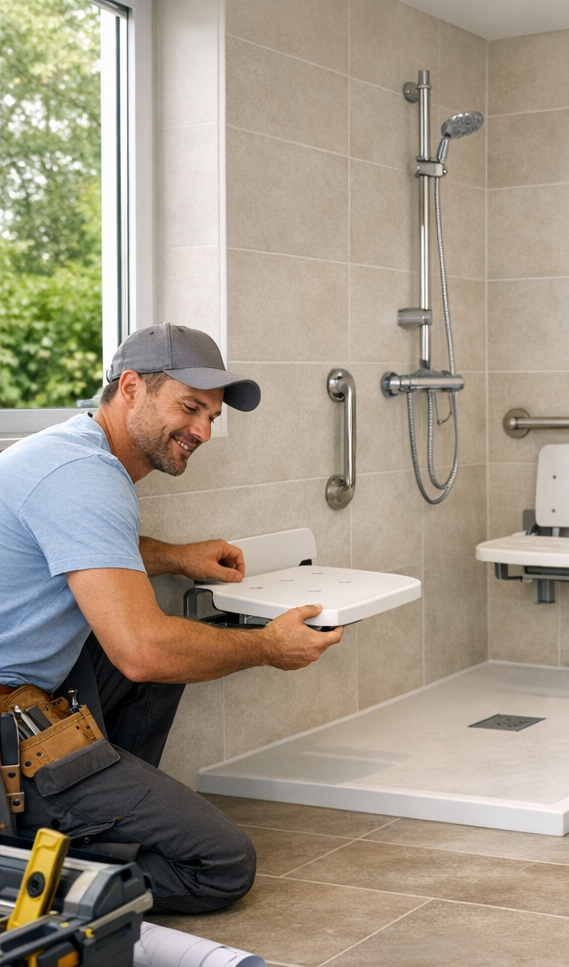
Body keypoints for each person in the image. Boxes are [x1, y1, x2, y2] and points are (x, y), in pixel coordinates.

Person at [0, 323, 343, 913]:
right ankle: (25, 866)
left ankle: (96, 807)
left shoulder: (70, 451)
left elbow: (88, 551)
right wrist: (267, 646)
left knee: (168, 651)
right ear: (130, 387)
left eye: (211, 416)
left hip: (29, 693)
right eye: (190, 408)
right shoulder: (85, 476)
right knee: (221, 863)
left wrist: (176, 557)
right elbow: (144, 652)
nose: (203, 431)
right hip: (11, 728)